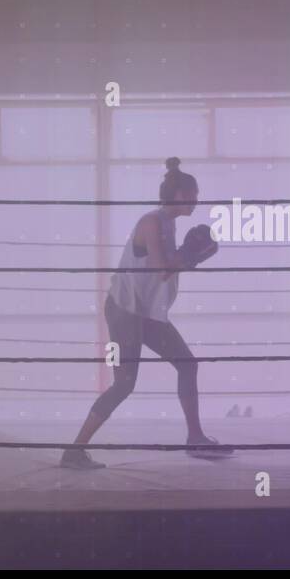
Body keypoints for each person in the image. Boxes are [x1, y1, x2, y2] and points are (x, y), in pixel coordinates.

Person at [61, 157, 229, 469]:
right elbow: (161, 269)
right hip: (125, 311)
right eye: (194, 194)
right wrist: (191, 255)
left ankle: (195, 437)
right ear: (180, 195)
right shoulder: (151, 222)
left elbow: (165, 268)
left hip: (146, 312)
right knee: (124, 384)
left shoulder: (168, 223)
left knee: (187, 365)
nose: (197, 200)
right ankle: (74, 450)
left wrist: (187, 257)